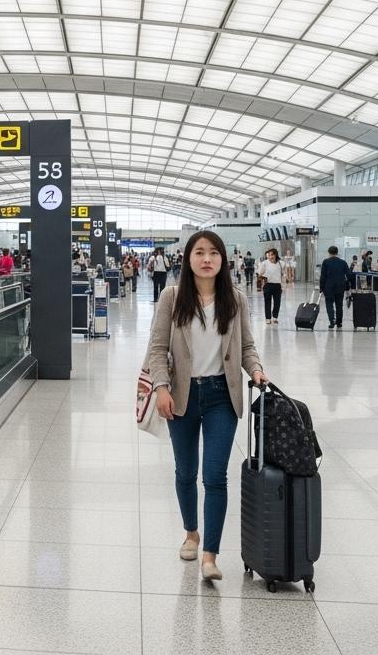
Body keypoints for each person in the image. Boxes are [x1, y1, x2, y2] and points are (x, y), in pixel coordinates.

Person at [146, 230, 268, 582]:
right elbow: (157, 348)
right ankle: (191, 534)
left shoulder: (236, 299)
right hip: (181, 394)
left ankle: (210, 556)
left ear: (223, 260)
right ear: (187, 259)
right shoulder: (172, 298)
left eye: (213, 253)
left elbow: (246, 346)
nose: (206, 259)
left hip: (221, 396)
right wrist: (161, 387)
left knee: (215, 476)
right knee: (186, 471)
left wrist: (256, 369)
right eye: (199, 252)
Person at [319, 245, 350, 329]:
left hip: (328, 287)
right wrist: (348, 285)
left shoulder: (326, 262)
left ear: (329, 252)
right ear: (337, 253)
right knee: (339, 305)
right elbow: (349, 274)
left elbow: (323, 276)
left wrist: (321, 287)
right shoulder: (343, 262)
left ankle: (332, 321)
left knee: (329, 304)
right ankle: (339, 322)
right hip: (340, 286)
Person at [258, 248, 284, 325]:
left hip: (277, 285)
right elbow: (259, 273)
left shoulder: (280, 264)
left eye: (272, 254)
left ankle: (275, 317)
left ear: (275, 255)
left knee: (277, 303)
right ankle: (268, 318)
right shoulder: (264, 263)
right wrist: (261, 280)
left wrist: (283, 285)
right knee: (267, 302)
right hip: (268, 285)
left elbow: (282, 275)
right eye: (269, 255)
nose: (270, 256)